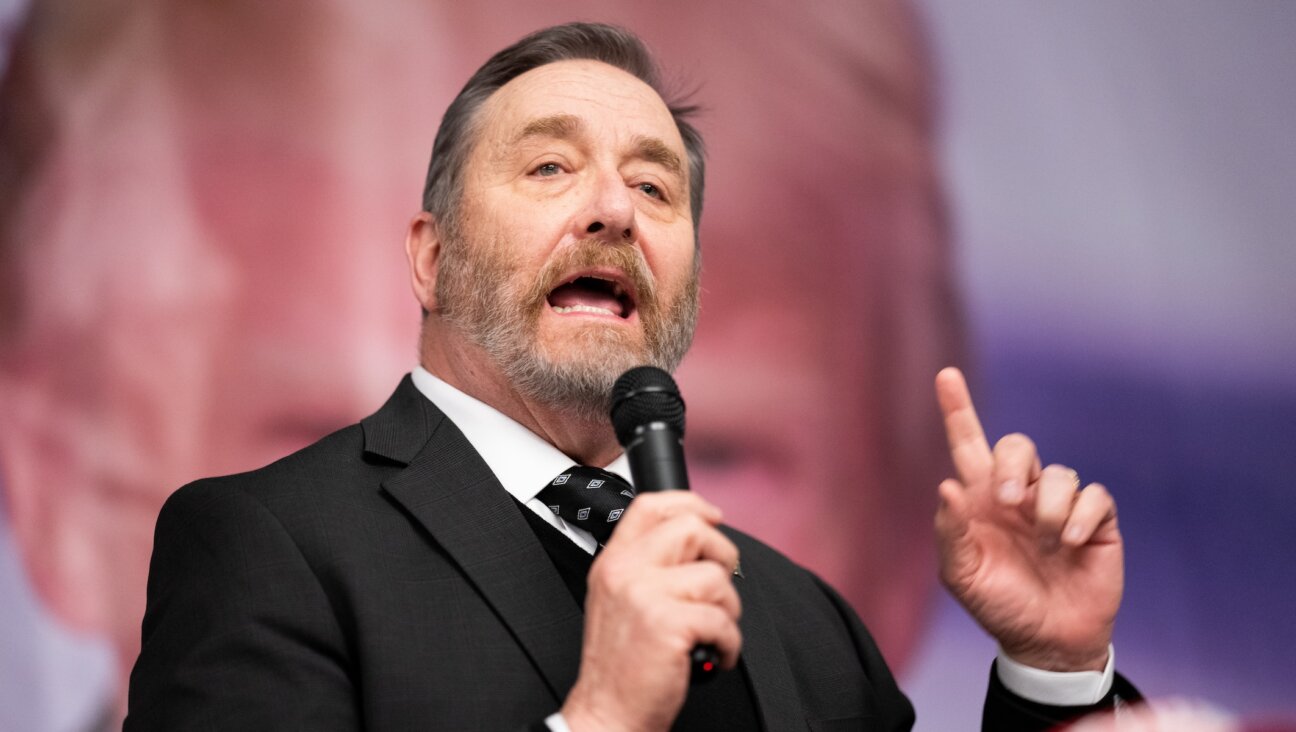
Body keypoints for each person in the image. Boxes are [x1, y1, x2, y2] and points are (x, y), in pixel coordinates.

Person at [125, 23, 1132, 731]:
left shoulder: (801, 619)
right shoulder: (267, 547)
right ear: (431, 258)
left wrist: (1055, 673)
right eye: (551, 169)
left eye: (655, 185)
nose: (614, 210)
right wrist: (600, 721)